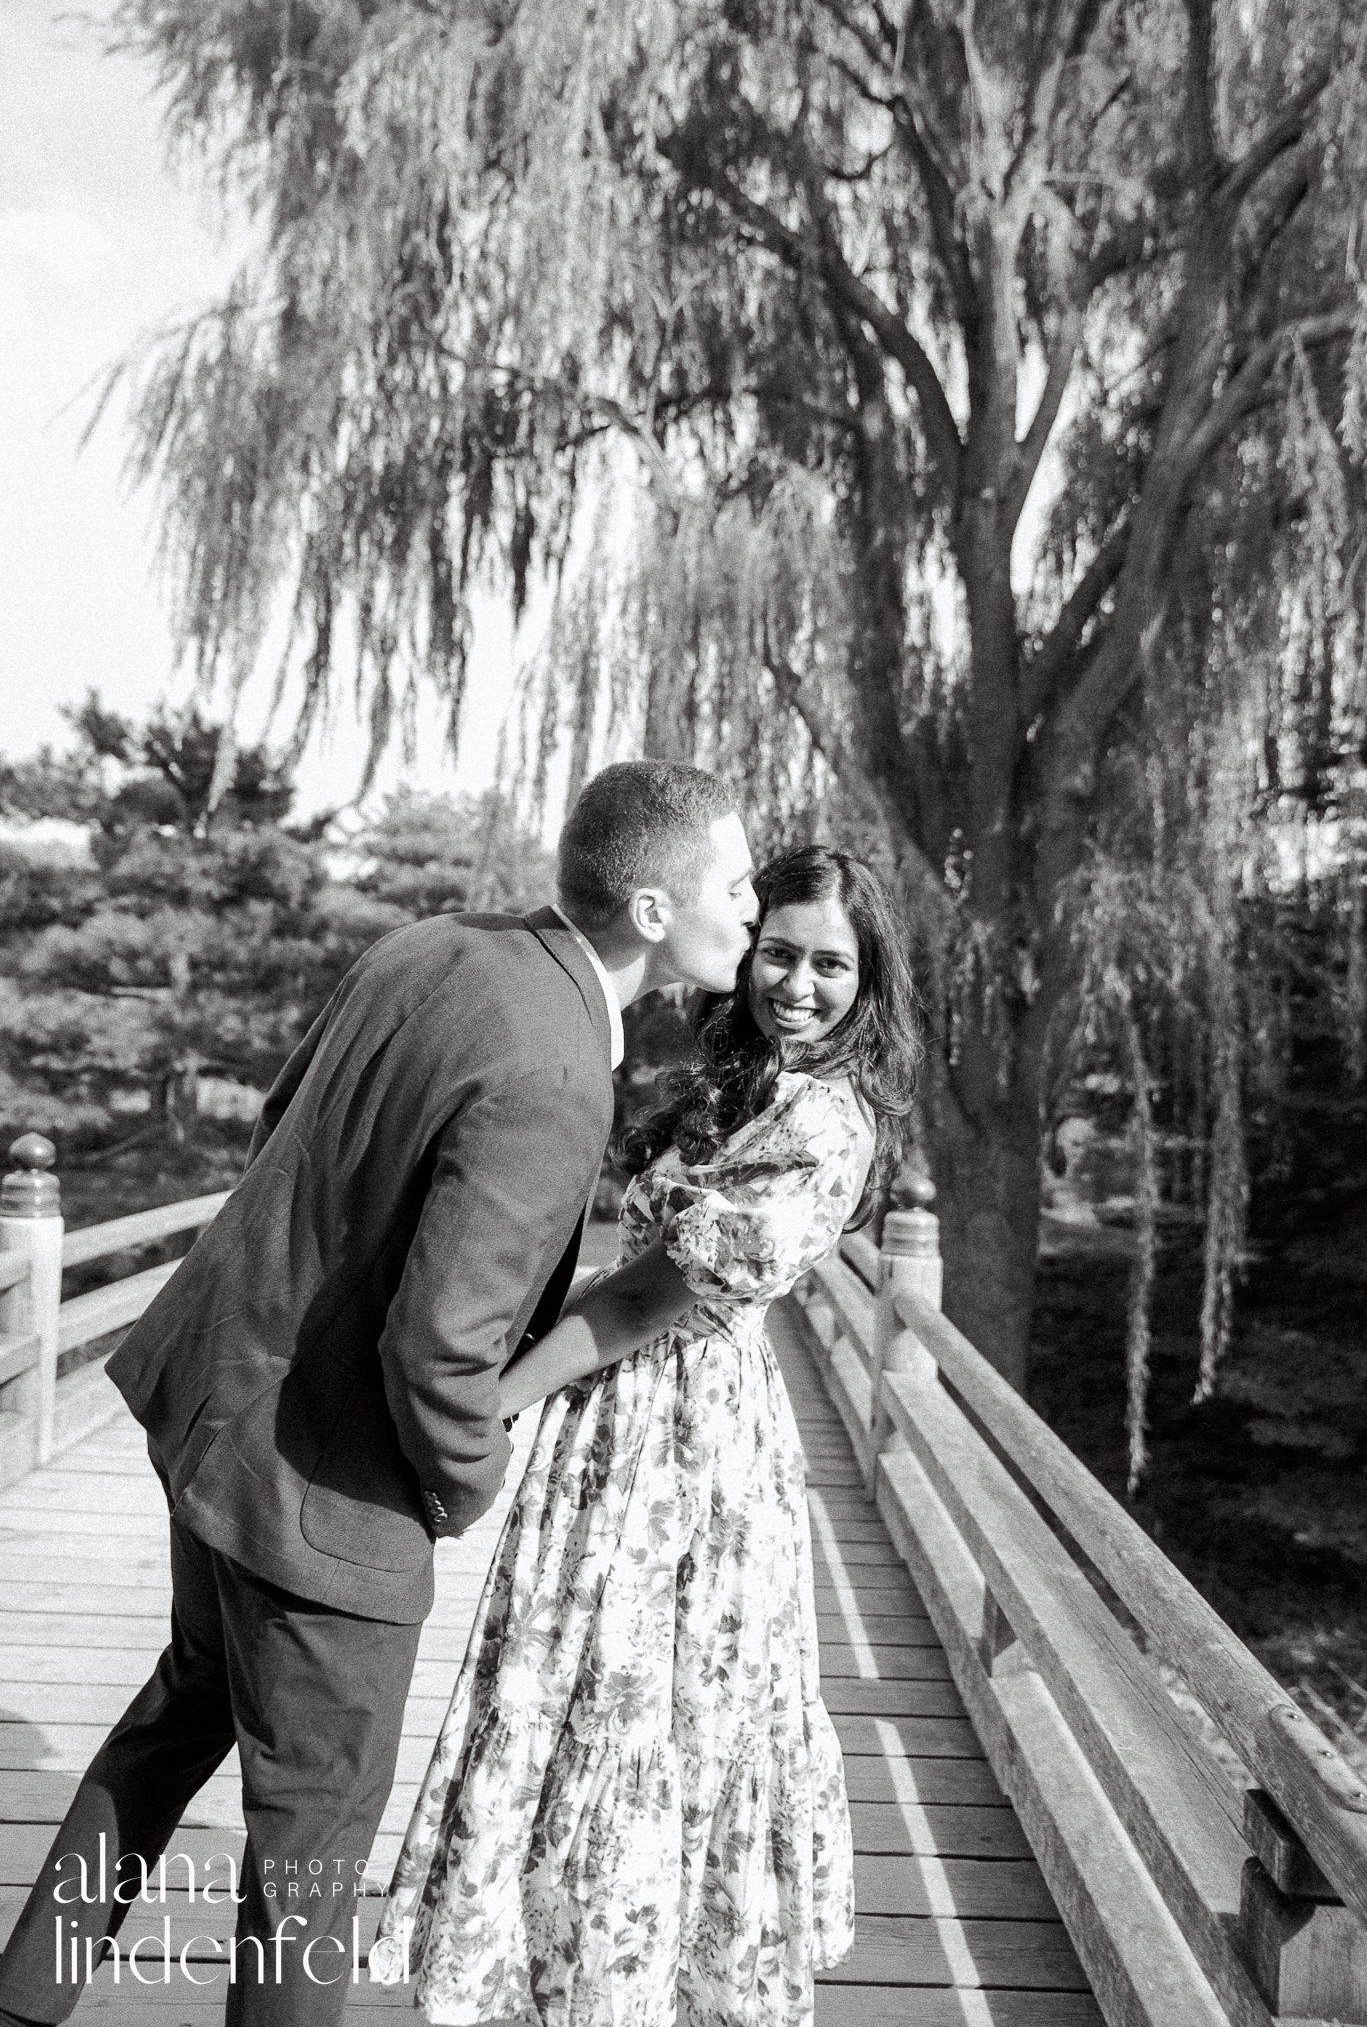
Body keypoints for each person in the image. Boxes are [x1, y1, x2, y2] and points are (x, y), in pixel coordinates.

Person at [0, 762, 758, 2027]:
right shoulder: (556, 1072)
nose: (749, 907)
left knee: (181, 1707)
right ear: (645, 906)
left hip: (214, 1398)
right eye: (732, 884)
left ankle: (28, 1991)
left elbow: (288, 1124)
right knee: (315, 1838)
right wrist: (462, 1485)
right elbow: (440, 1348)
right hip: (323, 1481)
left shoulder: (438, 944)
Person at [370, 844, 922, 2027]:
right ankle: (569, 1970)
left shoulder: (830, 1122)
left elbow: (633, 1302)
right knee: (581, 1682)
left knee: (651, 1701)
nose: (797, 983)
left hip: (690, 1444)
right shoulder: (740, 1079)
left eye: (831, 963)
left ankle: (627, 1987)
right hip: (620, 1408)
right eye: (778, 951)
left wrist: (475, 1399)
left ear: (869, 978)